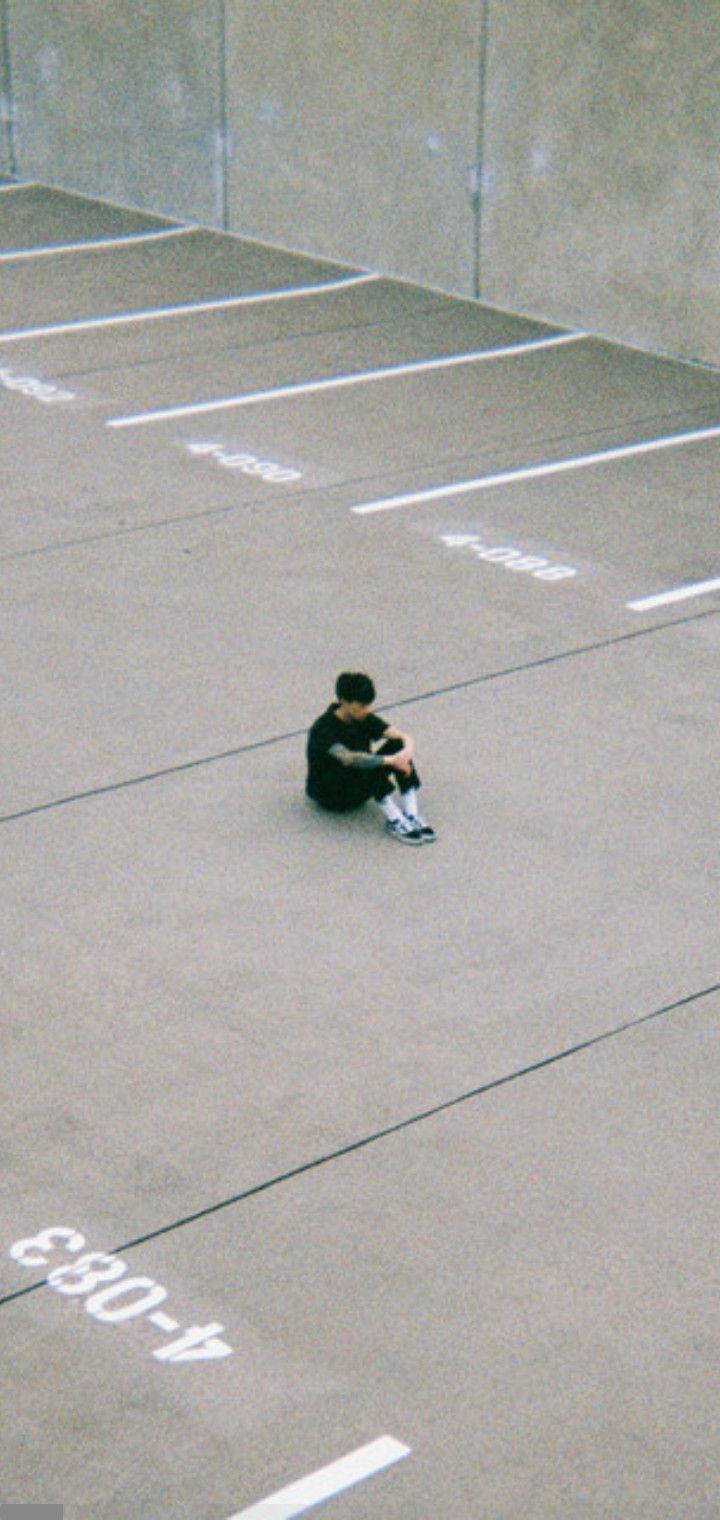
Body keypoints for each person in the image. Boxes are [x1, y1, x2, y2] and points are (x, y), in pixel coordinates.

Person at [306, 672, 436, 844]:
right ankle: (395, 819)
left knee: (396, 745)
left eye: (368, 705)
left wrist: (407, 748)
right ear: (344, 702)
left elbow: (398, 735)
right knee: (364, 762)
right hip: (331, 794)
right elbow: (350, 758)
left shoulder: (361, 716)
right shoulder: (323, 729)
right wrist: (392, 761)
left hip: (358, 785)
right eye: (361, 705)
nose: (367, 710)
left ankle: (411, 813)